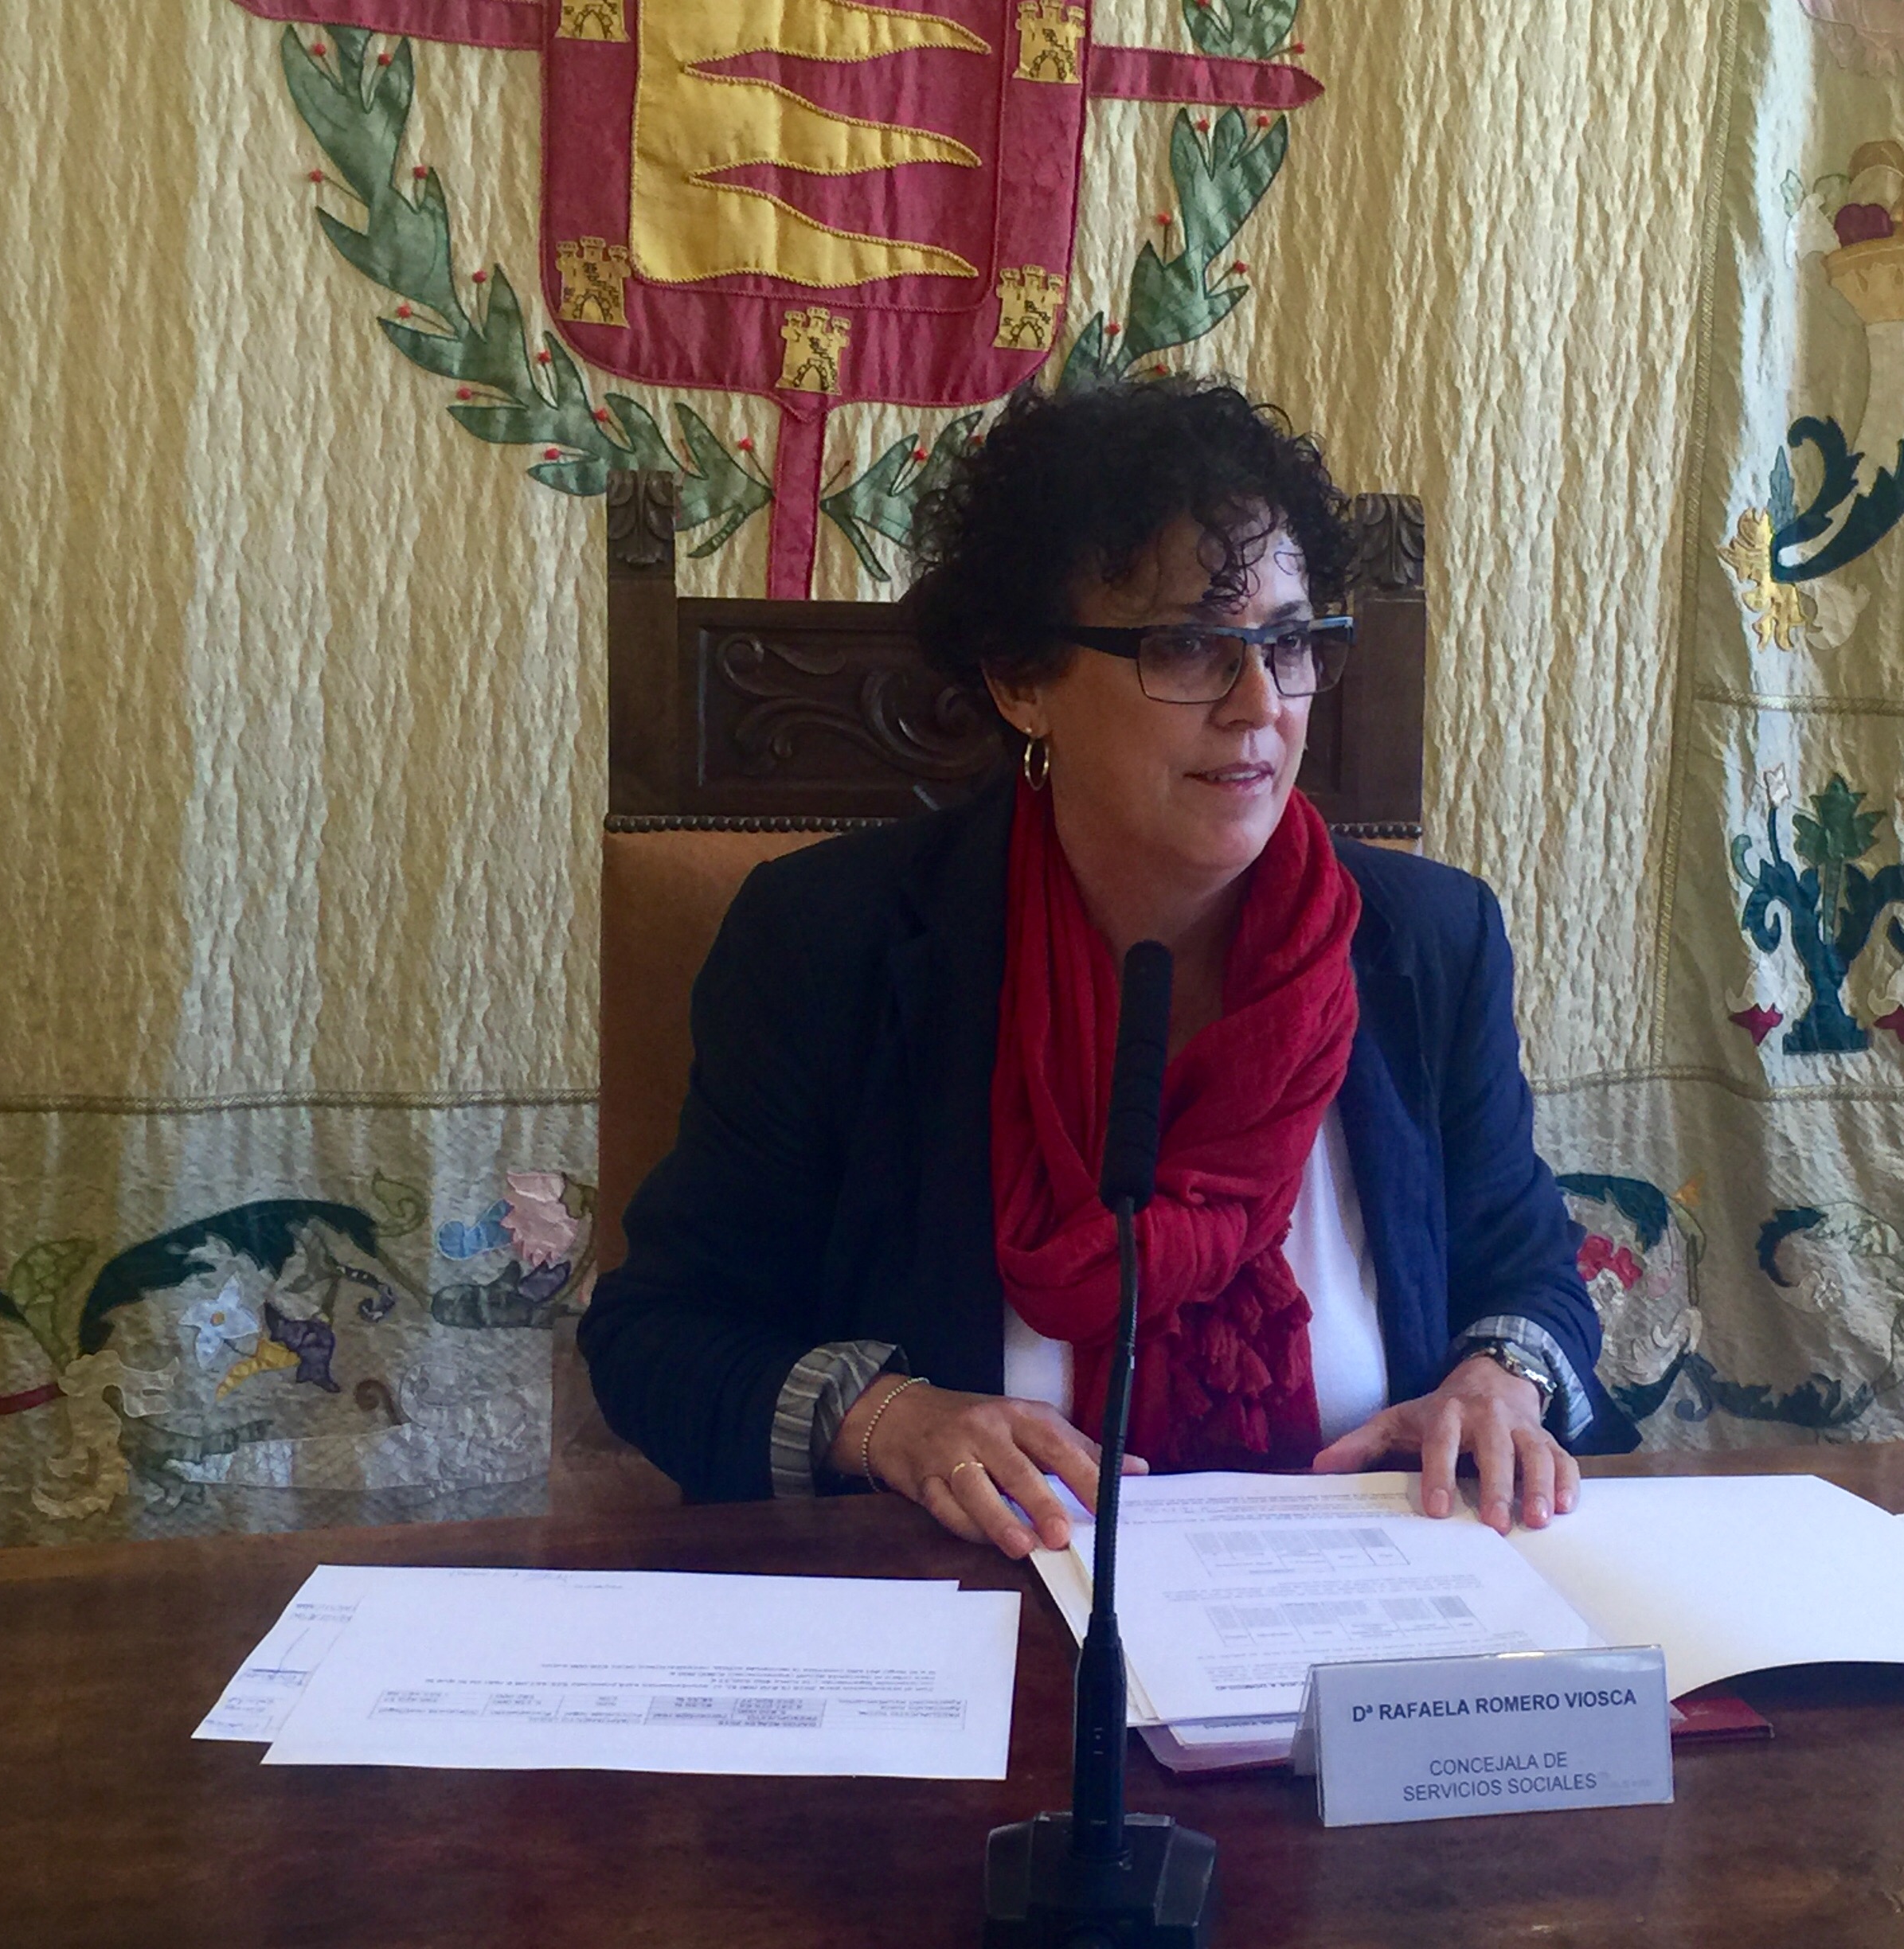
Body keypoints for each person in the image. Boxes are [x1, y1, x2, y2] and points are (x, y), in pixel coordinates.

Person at [581, 377, 1632, 1560]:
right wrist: (887, 1420)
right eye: (1188, 645)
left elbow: (1527, 1276)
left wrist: (1500, 1379)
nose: (1259, 705)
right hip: (985, 1612)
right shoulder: (833, 942)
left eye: (1288, 642)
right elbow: (660, 1335)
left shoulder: (1429, 943)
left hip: (1365, 1608)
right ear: (1022, 679)